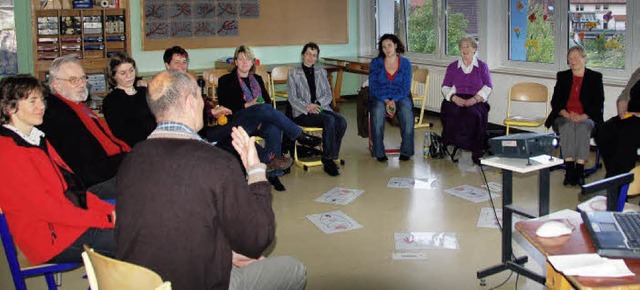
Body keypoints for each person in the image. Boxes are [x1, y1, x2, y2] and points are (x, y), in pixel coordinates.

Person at [115, 70, 306, 290]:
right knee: (294, 269)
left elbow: (170, 226)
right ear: (189, 101)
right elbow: (257, 239)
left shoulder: (132, 159)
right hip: (199, 282)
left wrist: (227, 253)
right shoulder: (217, 163)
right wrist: (255, 171)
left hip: (140, 282)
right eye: (200, 96)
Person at [0, 75, 116, 265]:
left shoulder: (36, 138)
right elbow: (48, 209)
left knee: (135, 229)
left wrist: (112, 210)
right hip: (50, 240)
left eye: (41, 100)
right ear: (10, 108)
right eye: (32, 101)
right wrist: (106, 219)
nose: (41, 107)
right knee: (136, 240)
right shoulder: (8, 152)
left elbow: (73, 190)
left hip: (66, 225)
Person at [218, 45, 320, 191]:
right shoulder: (225, 80)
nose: (244, 62)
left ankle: (274, 173)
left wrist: (259, 108)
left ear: (253, 62)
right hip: (239, 122)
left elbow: (266, 100)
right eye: (240, 59)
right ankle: (298, 134)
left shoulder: (258, 79)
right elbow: (225, 106)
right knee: (264, 108)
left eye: (248, 59)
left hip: (260, 121)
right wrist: (248, 105)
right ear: (235, 62)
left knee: (273, 127)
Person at [38, 55, 130, 199]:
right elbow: (88, 167)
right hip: (92, 184)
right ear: (56, 84)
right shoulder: (56, 115)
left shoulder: (78, 106)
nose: (81, 84)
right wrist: (128, 159)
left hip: (107, 170)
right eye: (74, 80)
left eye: (82, 78)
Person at [545, 46, 604, 186]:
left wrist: (582, 116)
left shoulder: (595, 77)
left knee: (583, 128)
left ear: (584, 58)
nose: (573, 61)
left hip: (587, 117)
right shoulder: (563, 76)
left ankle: (580, 168)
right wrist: (566, 113)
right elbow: (556, 102)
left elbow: (598, 103)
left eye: (576, 57)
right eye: (570, 58)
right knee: (567, 127)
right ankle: (570, 169)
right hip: (564, 116)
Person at [288, 42, 347, 176]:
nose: (311, 57)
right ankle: (328, 160)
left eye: (314, 55)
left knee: (341, 122)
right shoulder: (293, 73)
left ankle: (331, 154)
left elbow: (328, 93)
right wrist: (307, 107)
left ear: (317, 57)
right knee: (329, 120)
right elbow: (292, 98)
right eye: (308, 54)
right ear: (303, 55)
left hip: (320, 107)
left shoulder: (321, 72)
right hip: (302, 112)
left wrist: (318, 104)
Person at [440, 37, 493, 165]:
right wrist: (454, 98)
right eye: (462, 47)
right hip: (457, 96)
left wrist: (475, 99)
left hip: (476, 98)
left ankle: (477, 151)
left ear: (474, 49)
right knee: (451, 112)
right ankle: (453, 146)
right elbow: (445, 87)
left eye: (468, 46)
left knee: (475, 115)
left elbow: (488, 86)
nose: (465, 49)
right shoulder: (453, 67)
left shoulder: (482, 66)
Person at [368, 33, 414, 162]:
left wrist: (393, 100)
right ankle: (378, 151)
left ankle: (407, 150)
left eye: (389, 45)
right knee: (377, 111)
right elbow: (373, 86)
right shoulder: (376, 63)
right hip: (380, 97)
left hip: (400, 96)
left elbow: (406, 87)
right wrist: (387, 100)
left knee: (406, 109)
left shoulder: (405, 63)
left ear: (395, 45)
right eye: (384, 47)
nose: (387, 49)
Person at [102, 52, 156, 147]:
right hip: (135, 148)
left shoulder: (145, 91)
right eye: (123, 73)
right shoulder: (111, 101)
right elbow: (120, 133)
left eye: (131, 70)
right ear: (113, 76)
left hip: (156, 142)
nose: (129, 76)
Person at [595, 67, 640, 177]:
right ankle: (613, 174)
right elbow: (625, 93)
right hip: (630, 116)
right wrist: (622, 111)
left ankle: (624, 182)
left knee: (626, 136)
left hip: (637, 120)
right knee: (602, 131)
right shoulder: (638, 72)